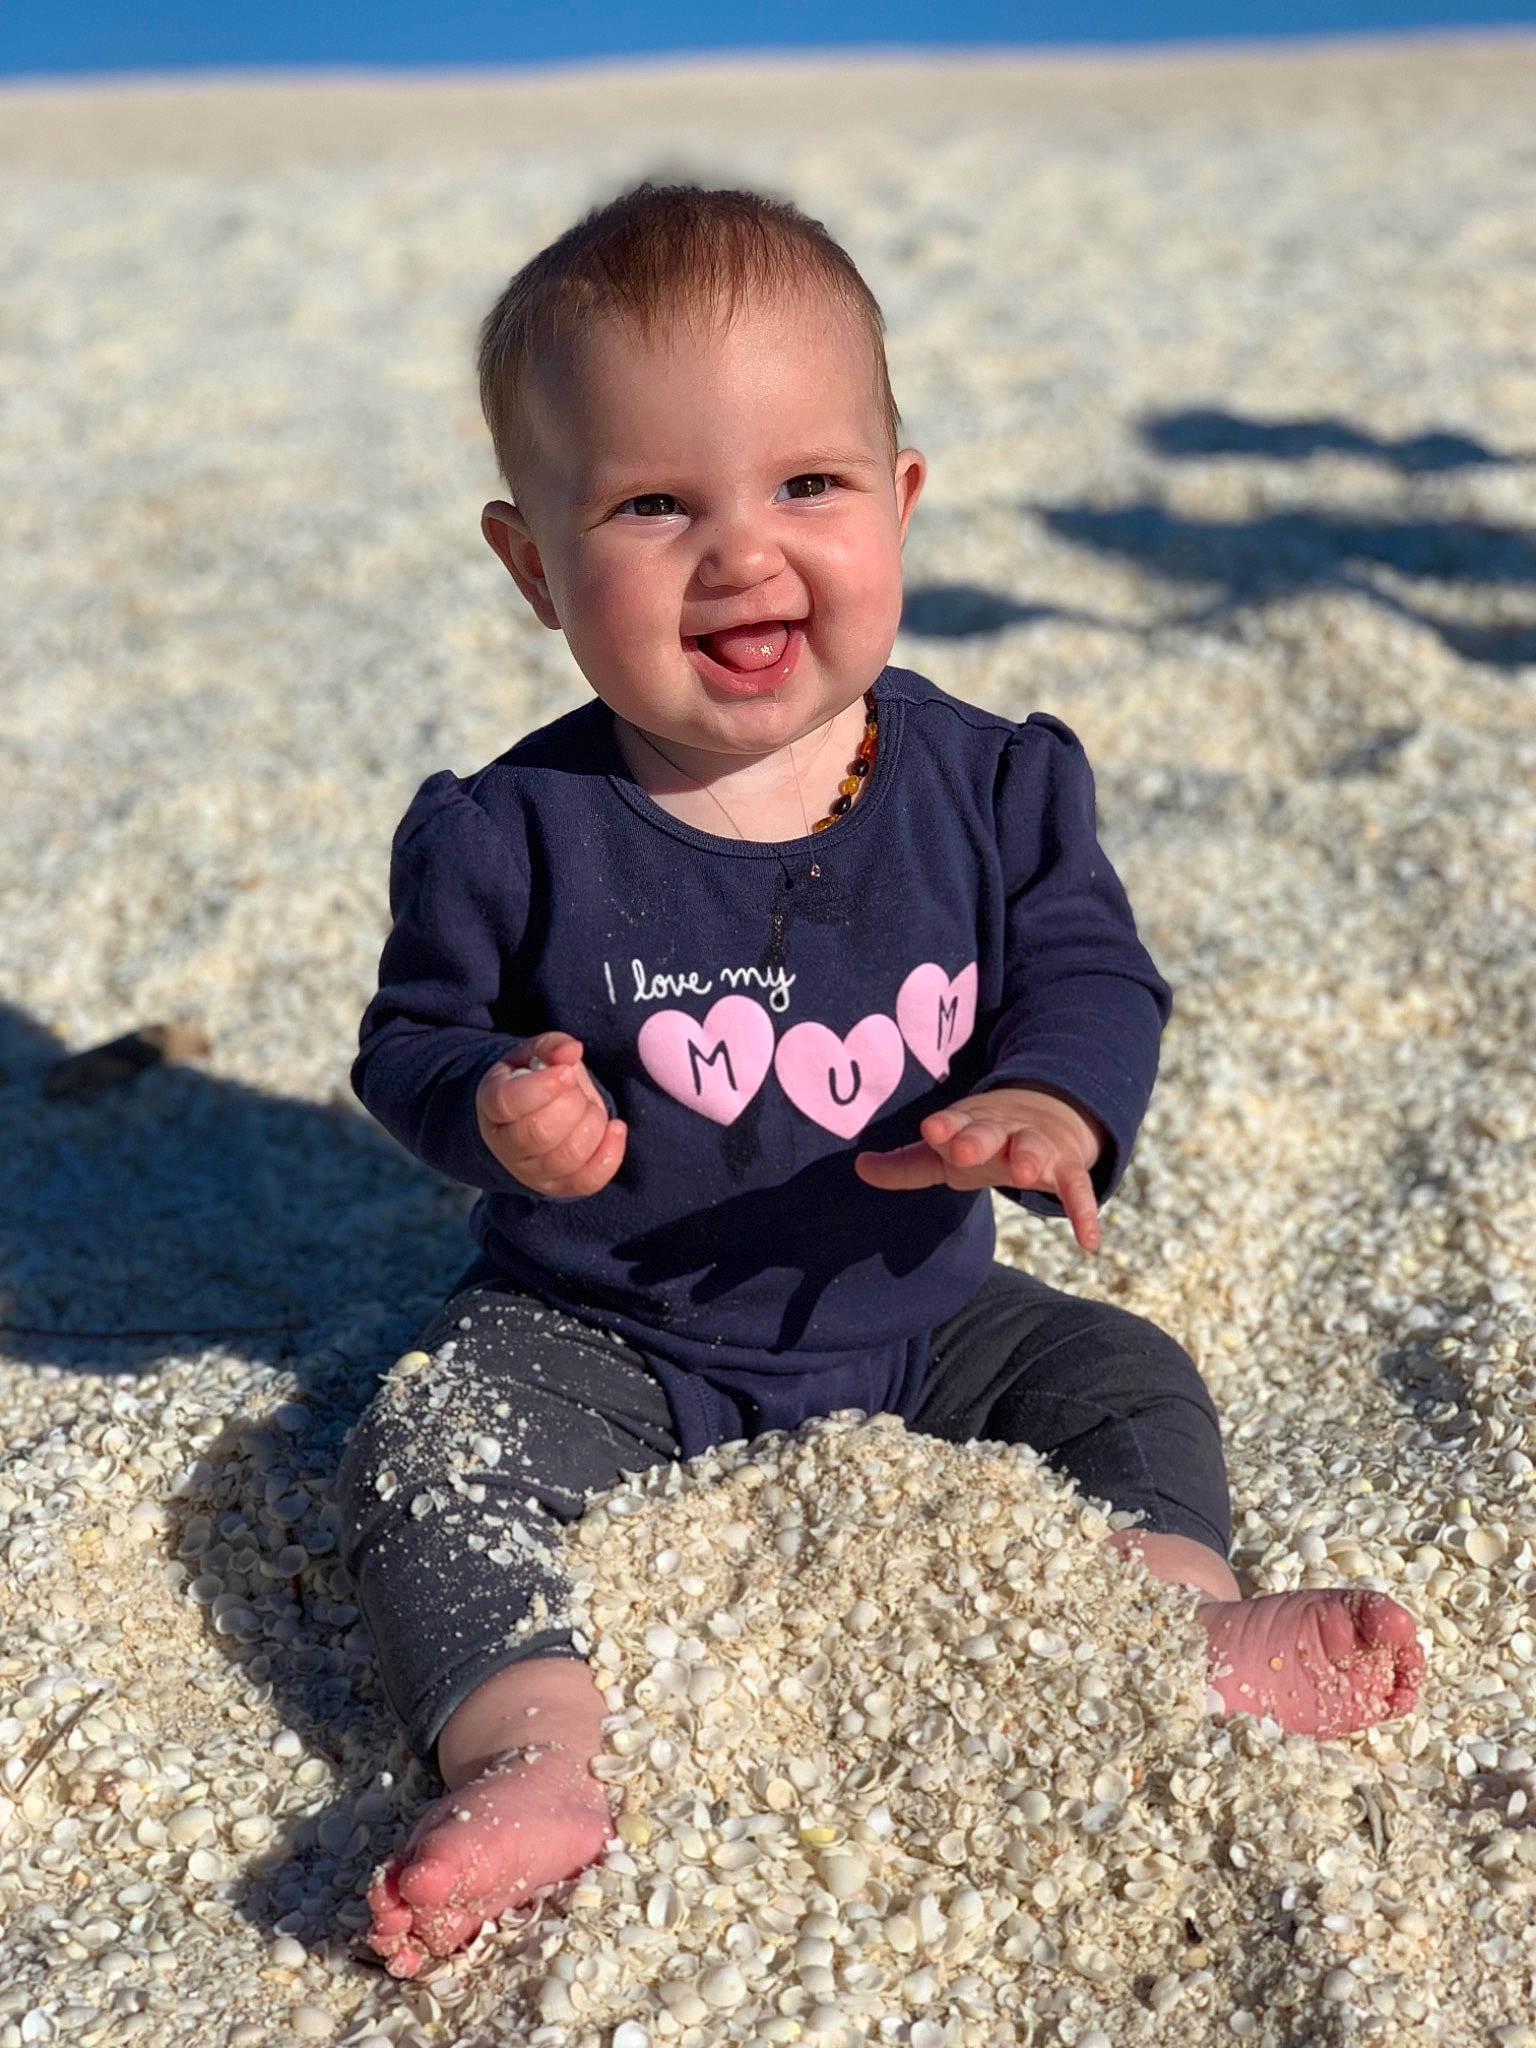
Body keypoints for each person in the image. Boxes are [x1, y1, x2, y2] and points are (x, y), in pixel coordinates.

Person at [339, 184, 1424, 1978]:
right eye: (652, 503)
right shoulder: (508, 833)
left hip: (928, 1313)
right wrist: (492, 1107)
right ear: (534, 565)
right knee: (430, 1441)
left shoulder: (988, 788)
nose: (742, 554)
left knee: (1127, 1375)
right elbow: (413, 1036)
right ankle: (532, 1749)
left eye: (807, 487)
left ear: (902, 501)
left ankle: (1178, 1623)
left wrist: (1054, 1105)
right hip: (601, 1331)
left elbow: (1088, 970)